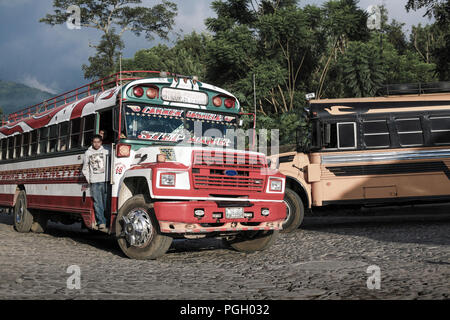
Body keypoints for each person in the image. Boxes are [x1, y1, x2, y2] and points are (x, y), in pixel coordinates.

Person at [82, 134, 110, 232]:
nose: (96, 144)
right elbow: (85, 167)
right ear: (92, 143)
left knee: (107, 202)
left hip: (106, 180)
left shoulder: (107, 150)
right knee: (98, 203)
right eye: (95, 142)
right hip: (94, 181)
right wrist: (89, 179)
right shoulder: (88, 153)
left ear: (101, 142)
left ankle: (109, 221)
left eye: (98, 142)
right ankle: (101, 222)